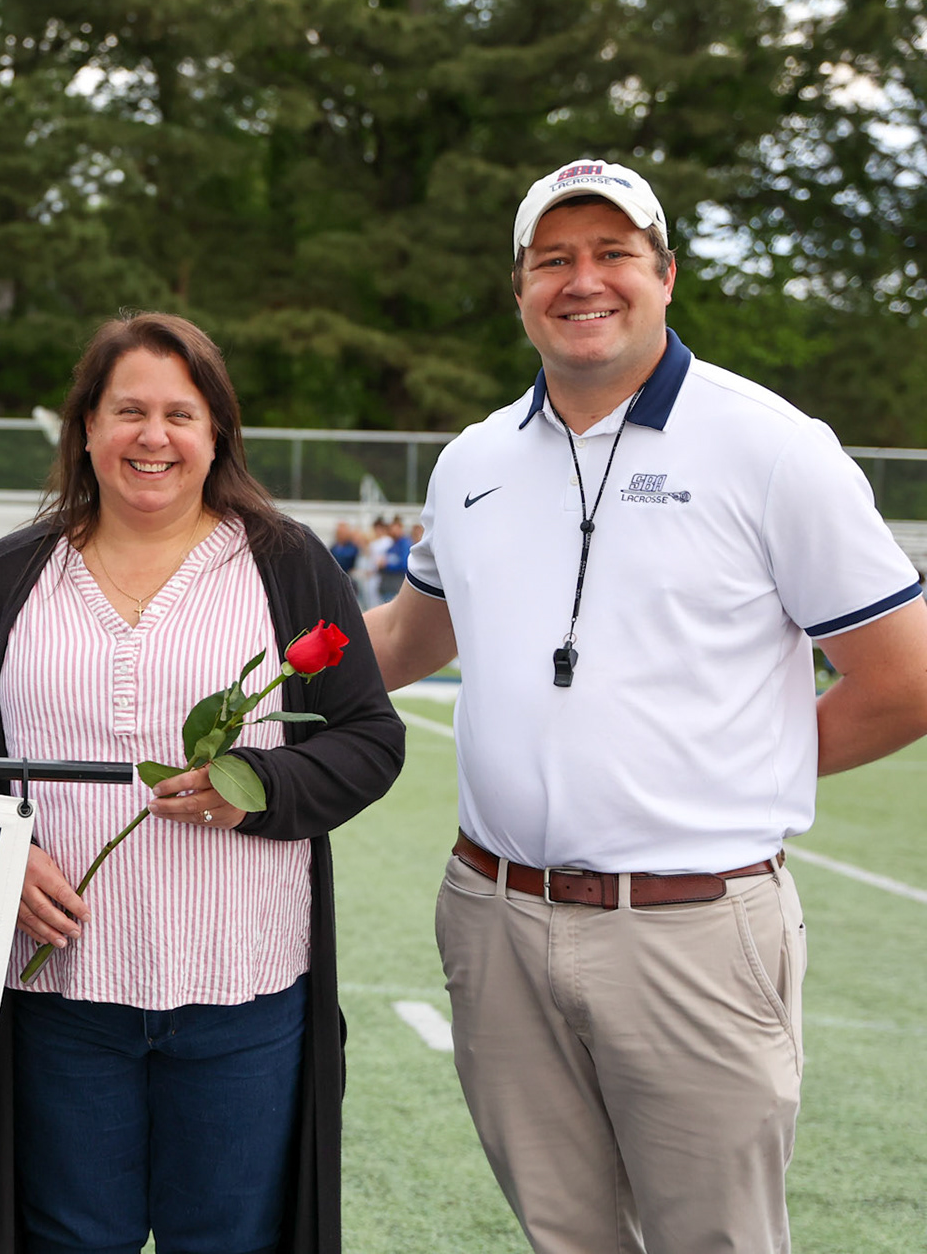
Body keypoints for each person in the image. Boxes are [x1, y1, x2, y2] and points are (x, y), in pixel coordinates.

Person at [364, 158, 927, 1253]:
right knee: (563, 1234)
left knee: (712, 1240)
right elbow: (409, 634)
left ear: (666, 273)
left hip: (693, 927)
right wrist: (234, 657)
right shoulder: (473, 458)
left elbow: (905, 678)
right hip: (495, 912)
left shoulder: (773, 447)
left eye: (613, 252)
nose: (585, 280)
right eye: (553, 259)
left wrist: (738, 772)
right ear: (519, 287)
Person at [0, 312, 405, 1254]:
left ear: (216, 433)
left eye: (180, 414)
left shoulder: (285, 564)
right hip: (59, 1002)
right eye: (127, 411)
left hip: (242, 998)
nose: (152, 437)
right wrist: (3, 847)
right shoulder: (9, 578)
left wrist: (262, 787)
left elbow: (370, 738)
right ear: (85, 428)